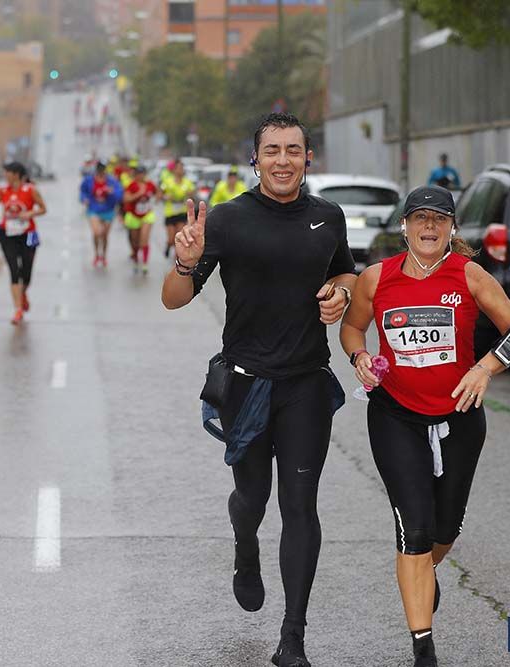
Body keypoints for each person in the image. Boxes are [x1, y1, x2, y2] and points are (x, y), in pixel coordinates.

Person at [162, 112, 357, 667]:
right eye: (272, 150)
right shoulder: (227, 220)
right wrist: (186, 263)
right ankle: (245, 546)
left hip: (305, 385)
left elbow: (346, 272)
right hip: (245, 386)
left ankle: (292, 638)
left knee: (300, 506)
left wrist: (341, 294)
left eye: (293, 150)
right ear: (255, 159)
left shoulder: (327, 216)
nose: (283, 160)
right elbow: (172, 299)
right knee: (252, 499)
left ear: (307, 158)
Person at [339, 185, 510, 667]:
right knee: (415, 527)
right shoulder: (376, 278)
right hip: (395, 415)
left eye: (439, 219)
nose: (429, 226)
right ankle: (423, 644)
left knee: (445, 527)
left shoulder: (469, 274)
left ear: (451, 228)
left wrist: (484, 369)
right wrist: (360, 357)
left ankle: (425, 572)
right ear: (404, 226)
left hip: (459, 416)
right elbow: (351, 328)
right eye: (420, 218)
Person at [0, 162, 47, 325]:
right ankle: (18, 309)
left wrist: (29, 213)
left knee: (26, 271)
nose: (5, 175)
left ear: (16, 174)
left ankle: (23, 293)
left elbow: (43, 208)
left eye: (7, 172)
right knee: (14, 270)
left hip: (29, 234)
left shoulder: (31, 190)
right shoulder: (2, 190)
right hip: (7, 234)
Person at [79, 161, 123, 268]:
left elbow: (119, 195)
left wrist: (112, 192)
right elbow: (82, 192)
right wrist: (84, 199)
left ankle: (103, 256)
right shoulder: (89, 180)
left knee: (104, 235)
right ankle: (96, 254)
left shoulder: (112, 181)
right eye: (99, 168)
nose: (100, 171)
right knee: (96, 233)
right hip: (93, 210)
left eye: (102, 169)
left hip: (108, 210)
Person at [122, 165, 158, 274]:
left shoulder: (150, 184)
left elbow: (158, 192)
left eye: (143, 174)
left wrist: (158, 198)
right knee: (135, 241)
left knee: (144, 240)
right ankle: (136, 259)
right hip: (133, 216)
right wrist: (138, 194)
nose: (141, 176)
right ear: (135, 175)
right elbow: (126, 198)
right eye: (138, 174)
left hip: (147, 215)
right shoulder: (131, 185)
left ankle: (145, 264)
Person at [160, 159, 196, 258]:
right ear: (174, 169)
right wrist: (165, 197)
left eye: (182, 168)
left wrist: (190, 195)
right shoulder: (167, 181)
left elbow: (193, 196)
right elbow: (159, 195)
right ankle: (168, 245)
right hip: (170, 213)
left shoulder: (188, 182)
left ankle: (177, 259)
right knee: (171, 239)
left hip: (182, 212)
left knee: (179, 238)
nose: (180, 170)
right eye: (179, 168)